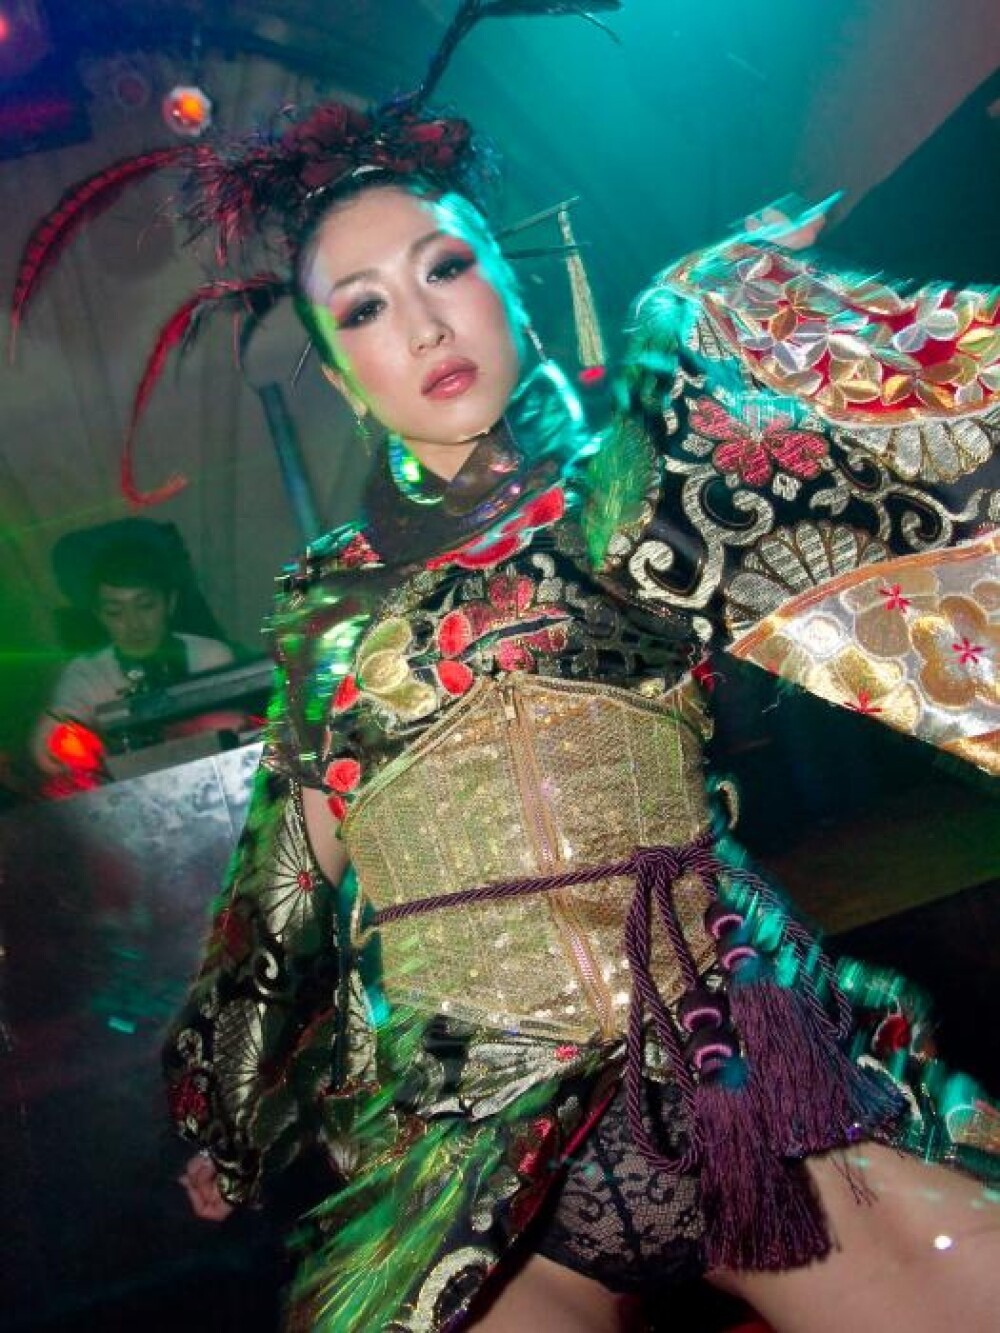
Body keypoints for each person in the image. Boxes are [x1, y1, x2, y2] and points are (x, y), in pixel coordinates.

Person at [13, 8, 1000, 1331]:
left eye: (446, 267)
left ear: (509, 283)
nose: (424, 324)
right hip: (469, 1168)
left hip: (745, 1092)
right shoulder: (327, 612)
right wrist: (219, 1104)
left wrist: (727, 343)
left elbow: (898, 520)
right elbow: (283, 879)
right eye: (367, 308)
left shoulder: (634, 486)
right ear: (340, 375)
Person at [31, 540, 235, 779]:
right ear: (98, 615)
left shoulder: (210, 654)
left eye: (146, 606)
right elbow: (56, 730)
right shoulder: (86, 671)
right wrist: (60, 739)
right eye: (115, 612)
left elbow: (232, 726)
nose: (134, 624)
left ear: (170, 603)